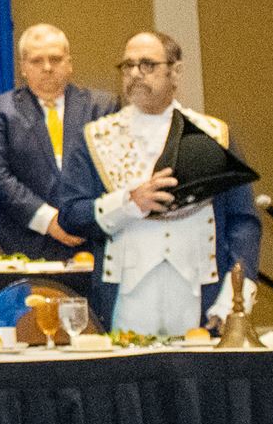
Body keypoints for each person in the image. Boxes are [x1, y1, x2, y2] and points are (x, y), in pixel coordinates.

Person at [59, 30, 260, 336]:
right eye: (128, 66)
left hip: (199, 298)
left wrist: (233, 302)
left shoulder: (213, 134)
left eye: (147, 65)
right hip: (126, 297)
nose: (136, 74)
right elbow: (72, 215)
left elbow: (243, 223)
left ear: (175, 71)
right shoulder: (95, 137)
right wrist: (128, 203)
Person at [0, 24, 116, 263]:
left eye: (56, 59)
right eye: (36, 61)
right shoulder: (1, 111)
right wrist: (47, 220)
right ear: (23, 68)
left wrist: (84, 218)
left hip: (93, 242)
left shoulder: (102, 107)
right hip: (27, 245)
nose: (47, 68)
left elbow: (115, 171)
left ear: (69, 63)